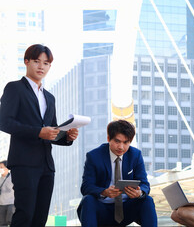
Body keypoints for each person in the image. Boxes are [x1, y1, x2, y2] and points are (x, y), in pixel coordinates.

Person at [0, 44, 79, 227]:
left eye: (46, 63)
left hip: (46, 165)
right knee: (24, 215)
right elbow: (5, 122)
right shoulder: (15, 88)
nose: (41, 66)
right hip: (24, 162)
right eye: (36, 61)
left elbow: (52, 132)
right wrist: (38, 132)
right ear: (26, 62)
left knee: (40, 218)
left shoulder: (50, 97)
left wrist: (67, 136)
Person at [77, 119, 157, 227]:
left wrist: (139, 193)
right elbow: (86, 187)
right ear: (108, 139)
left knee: (147, 200)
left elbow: (145, 184)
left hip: (126, 209)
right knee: (88, 200)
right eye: (117, 141)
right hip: (102, 208)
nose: (121, 147)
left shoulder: (135, 155)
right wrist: (104, 192)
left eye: (126, 142)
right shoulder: (94, 156)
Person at [0, 160, 14, 227]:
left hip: (11, 204)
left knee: (11, 222)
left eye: (1, 167)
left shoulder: (12, 177)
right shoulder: (0, 179)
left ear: (6, 168)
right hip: (1, 204)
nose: (0, 169)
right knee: (2, 223)